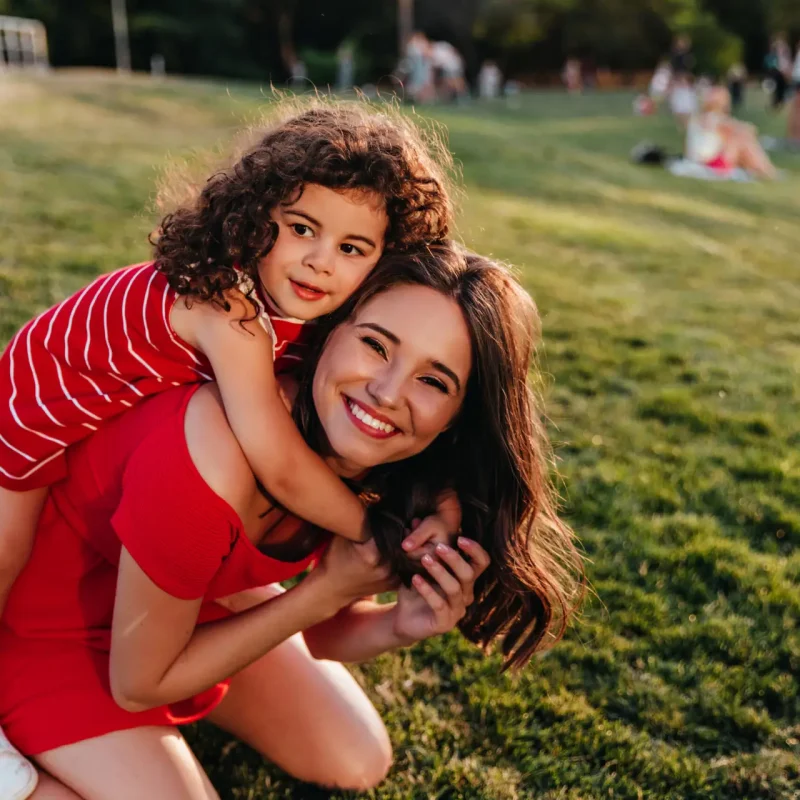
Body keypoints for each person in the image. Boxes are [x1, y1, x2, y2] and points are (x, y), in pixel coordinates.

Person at [0, 244, 585, 798]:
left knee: (355, 758)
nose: (386, 392)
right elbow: (138, 686)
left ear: (459, 416)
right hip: (48, 626)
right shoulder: (219, 447)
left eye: (433, 380)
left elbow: (323, 631)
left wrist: (401, 622)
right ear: (331, 332)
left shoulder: (388, 463)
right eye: (377, 345)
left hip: (189, 608)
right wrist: (320, 594)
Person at [0, 101, 455, 798]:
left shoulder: (311, 326)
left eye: (352, 249)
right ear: (253, 214)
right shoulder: (228, 306)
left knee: (357, 755)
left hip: (123, 513)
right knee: (3, 556)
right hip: (23, 422)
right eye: (301, 228)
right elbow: (275, 459)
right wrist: (376, 533)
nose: (318, 260)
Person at [685, 86, 777, 179]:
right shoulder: (712, 117)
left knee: (739, 139)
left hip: (705, 160)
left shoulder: (701, 116)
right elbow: (748, 129)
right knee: (741, 141)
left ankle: (765, 169)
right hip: (709, 163)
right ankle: (767, 170)